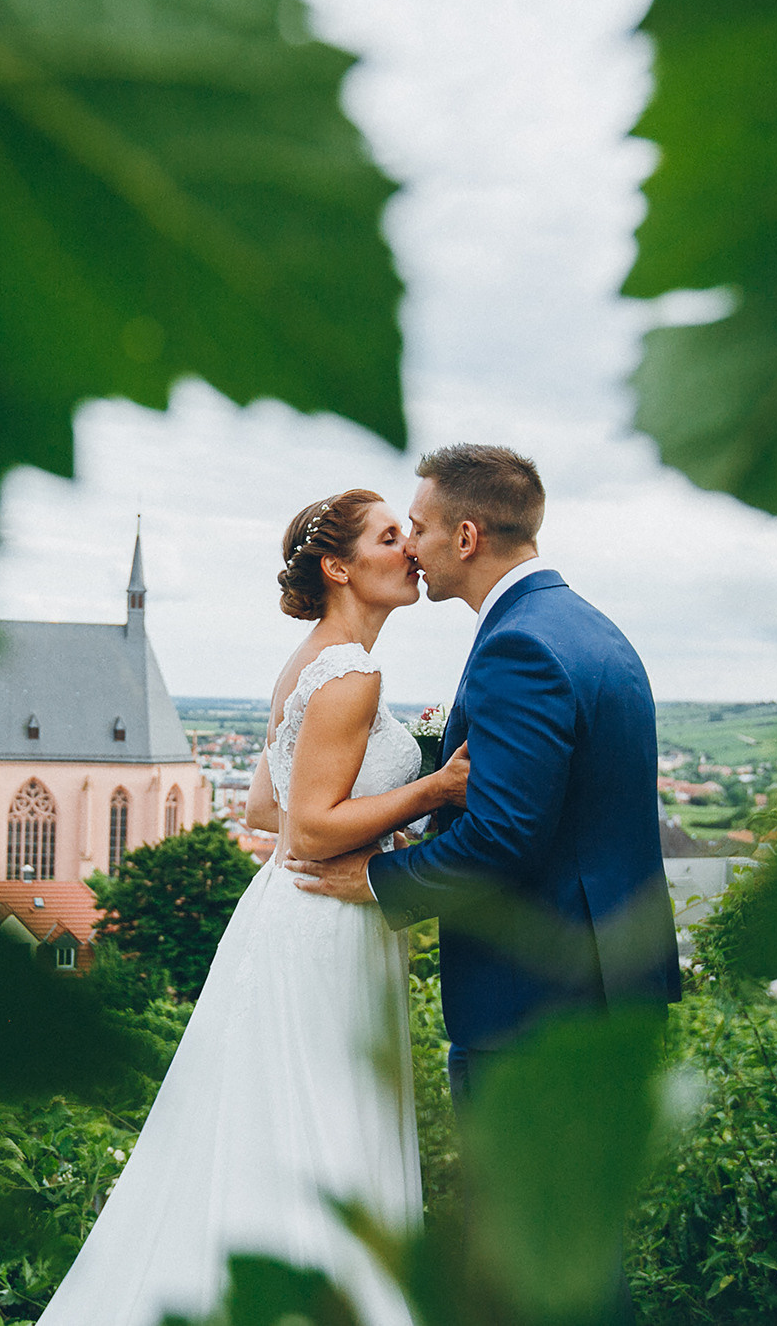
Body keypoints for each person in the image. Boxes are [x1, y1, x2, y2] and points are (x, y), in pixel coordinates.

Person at [36, 490, 469, 1326]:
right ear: (340, 566)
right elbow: (304, 827)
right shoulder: (351, 673)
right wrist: (432, 786)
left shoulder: (309, 662)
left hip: (288, 915)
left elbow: (259, 812)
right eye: (392, 536)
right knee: (322, 1127)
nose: (412, 549)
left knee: (273, 1129)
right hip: (325, 925)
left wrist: (373, 834)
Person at [292, 444, 681, 1108]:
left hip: (535, 1012)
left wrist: (380, 881)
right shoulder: (592, 629)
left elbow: (502, 837)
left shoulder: (518, 644)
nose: (411, 545)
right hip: (608, 993)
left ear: (466, 537)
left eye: (418, 527)